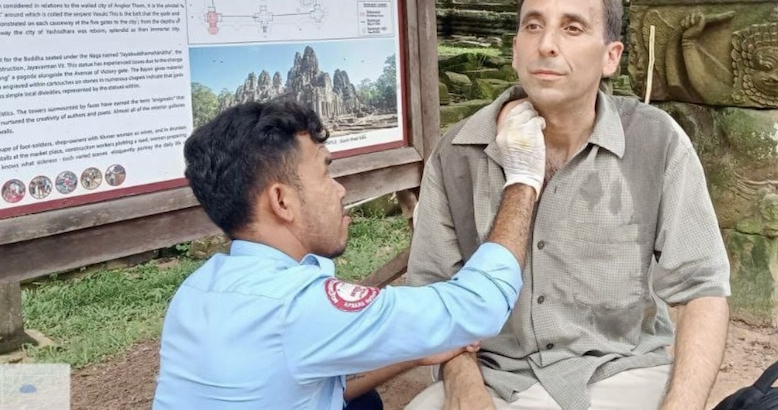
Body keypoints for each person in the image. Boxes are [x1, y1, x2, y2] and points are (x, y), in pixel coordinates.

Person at [406, 0, 731, 410]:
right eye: (533, 26)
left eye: (572, 28)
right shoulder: (458, 154)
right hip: (498, 378)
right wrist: (463, 383)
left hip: (622, 372)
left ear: (610, 56)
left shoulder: (656, 143)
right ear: (515, 49)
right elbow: (432, 296)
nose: (548, 45)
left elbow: (702, 291)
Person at [152, 98, 548, 410]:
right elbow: (477, 307)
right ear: (282, 201)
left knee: (362, 402)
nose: (339, 190)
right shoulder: (297, 306)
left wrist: (415, 354)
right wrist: (523, 178)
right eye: (325, 173)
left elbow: (307, 389)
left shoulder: (197, 290)